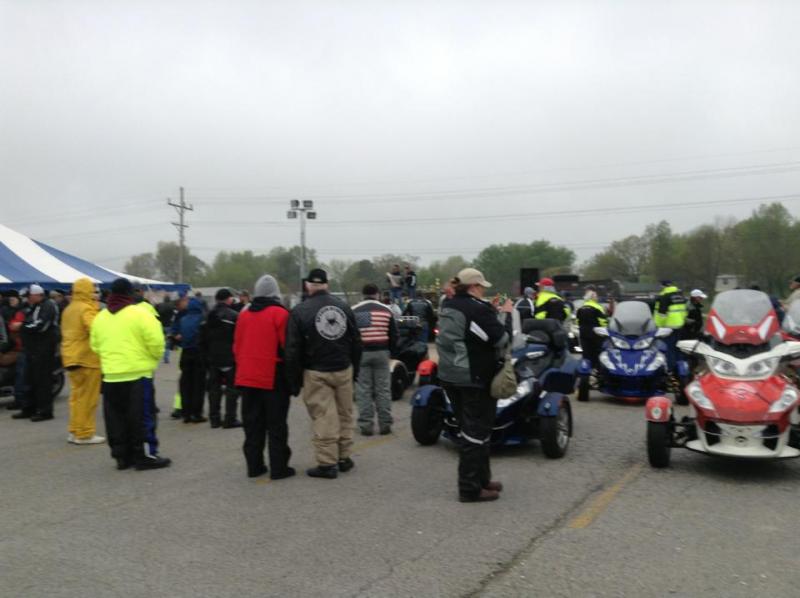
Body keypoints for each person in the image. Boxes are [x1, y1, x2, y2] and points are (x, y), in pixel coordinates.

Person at [436, 268, 513, 503]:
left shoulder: (447, 305)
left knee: (470, 428)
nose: (483, 291)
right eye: (481, 287)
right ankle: (469, 488)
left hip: (450, 375)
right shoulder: (478, 309)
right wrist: (506, 315)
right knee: (476, 433)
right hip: (473, 377)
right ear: (474, 287)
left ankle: (482, 479)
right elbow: (501, 339)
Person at [285, 268, 362, 479]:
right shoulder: (344, 308)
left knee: (324, 416)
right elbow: (356, 341)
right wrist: (355, 368)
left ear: (308, 285)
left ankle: (327, 463)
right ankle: (344, 457)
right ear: (327, 285)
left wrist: (293, 380)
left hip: (316, 371)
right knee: (345, 413)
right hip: (343, 368)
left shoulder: (299, 311)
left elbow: (292, 350)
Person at [90, 278, 170, 470]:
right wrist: (152, 359)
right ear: (130, 293)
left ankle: (122, 456)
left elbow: (95, 345)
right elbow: (156, 342)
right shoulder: (140, 314)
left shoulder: (101, 317)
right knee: (141, 417)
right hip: (138, 374)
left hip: (111, 375)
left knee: (115, 418)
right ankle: (143, 455)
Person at [233, 275, 295, 479]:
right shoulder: (281, 314)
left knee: (252, 425)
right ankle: (279, 467)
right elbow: (288, 348)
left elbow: (237, 346)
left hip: (247, 376)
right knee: (276, 424)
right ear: (275, 293)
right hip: (272, 376)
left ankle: (254, 466)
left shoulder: (244, 315)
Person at [61, 278, 105, 445]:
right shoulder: (86, 308)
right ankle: (85, 433)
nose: (95, 293)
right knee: (88, 398)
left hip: (70, 357)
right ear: (87, 291)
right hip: (87, 358)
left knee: (76, 397)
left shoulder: (69, 309)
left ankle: (74, 430)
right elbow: (96, 329)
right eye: (93, 290)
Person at [353, 283, 398, 436]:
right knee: (383, 389)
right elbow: (394, 335)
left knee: (363, 391)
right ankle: (385, 424)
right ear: (377, 294)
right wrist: (392, 352)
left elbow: (351, 335)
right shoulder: (387, 310)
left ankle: (366, 426)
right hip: (382, 353)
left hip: (362, 354)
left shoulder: (354, 310)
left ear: (363, 294)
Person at [12, 284, 60, 422]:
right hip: (32, 349)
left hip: (43, 349)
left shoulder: (48, 305)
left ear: (37, 295)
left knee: (42, 381)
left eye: (29, 296)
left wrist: (22, 326)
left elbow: (41, 325)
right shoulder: (34, 306)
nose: (27, 299)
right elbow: (30, 321)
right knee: (29, 379)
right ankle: (29, 408)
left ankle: (45, 411)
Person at [200, 288, 242, 429]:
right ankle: (230, 418)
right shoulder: (234, 316)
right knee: (232, 390)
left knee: (214, 390)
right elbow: (239, 338)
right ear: (228, 299)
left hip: (212, 358)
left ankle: (214, 419)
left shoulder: (207, 316)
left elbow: (202, 339)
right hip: (230, 358)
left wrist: (205, 357)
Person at [171, 296, 207, 423]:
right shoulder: (202, 319)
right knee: (198, 385)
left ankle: (186, 413)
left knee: (185, 384)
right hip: (198, 353)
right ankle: (197, 414)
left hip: (185, 353)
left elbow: (176, 335)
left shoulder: (183, 319)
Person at [653, 281, 688, 370]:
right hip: (679, 325)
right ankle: (679, 367)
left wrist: (659, 327)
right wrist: (681, 321)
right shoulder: (680, 296)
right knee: (678, 347)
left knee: (668, 348)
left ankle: (670, 368)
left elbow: (661, 315)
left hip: (668, 327)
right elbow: (685, 311)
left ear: (662, 286)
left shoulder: (664, 297)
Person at [576, 288, 608, 367]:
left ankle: (586, 368)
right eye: (596, 296)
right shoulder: (597, 307)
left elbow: (577, 321)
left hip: (583, 332)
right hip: (596, 333)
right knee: (597, 352)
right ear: (592, 297)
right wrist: (606, 328)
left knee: (586, 352)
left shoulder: (581, 307)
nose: (597, 298)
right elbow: (602, 321)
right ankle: (597, 368)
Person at [155, 296, 176, 364]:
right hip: (169, 325)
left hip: (160, 325)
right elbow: (175, 315)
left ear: (164, 300)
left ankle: (157, 355)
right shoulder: (172, 306)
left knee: (159, 340)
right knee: (168, 341)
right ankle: (166, 357)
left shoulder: (159, 305)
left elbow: (156, 314)